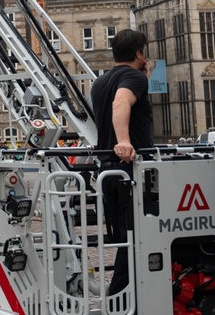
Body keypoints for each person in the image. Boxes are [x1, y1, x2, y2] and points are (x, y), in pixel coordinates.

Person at [90, 28, 153, 296]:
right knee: (142, 239)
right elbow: (121, 103)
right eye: (144, 52)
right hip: (131, 171)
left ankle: (124, 298)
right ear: (139, 53)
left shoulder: (100, 82)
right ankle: (119, 301)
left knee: (128, 243)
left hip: (109, 173)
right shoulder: (133, 77)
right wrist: (125, 141)